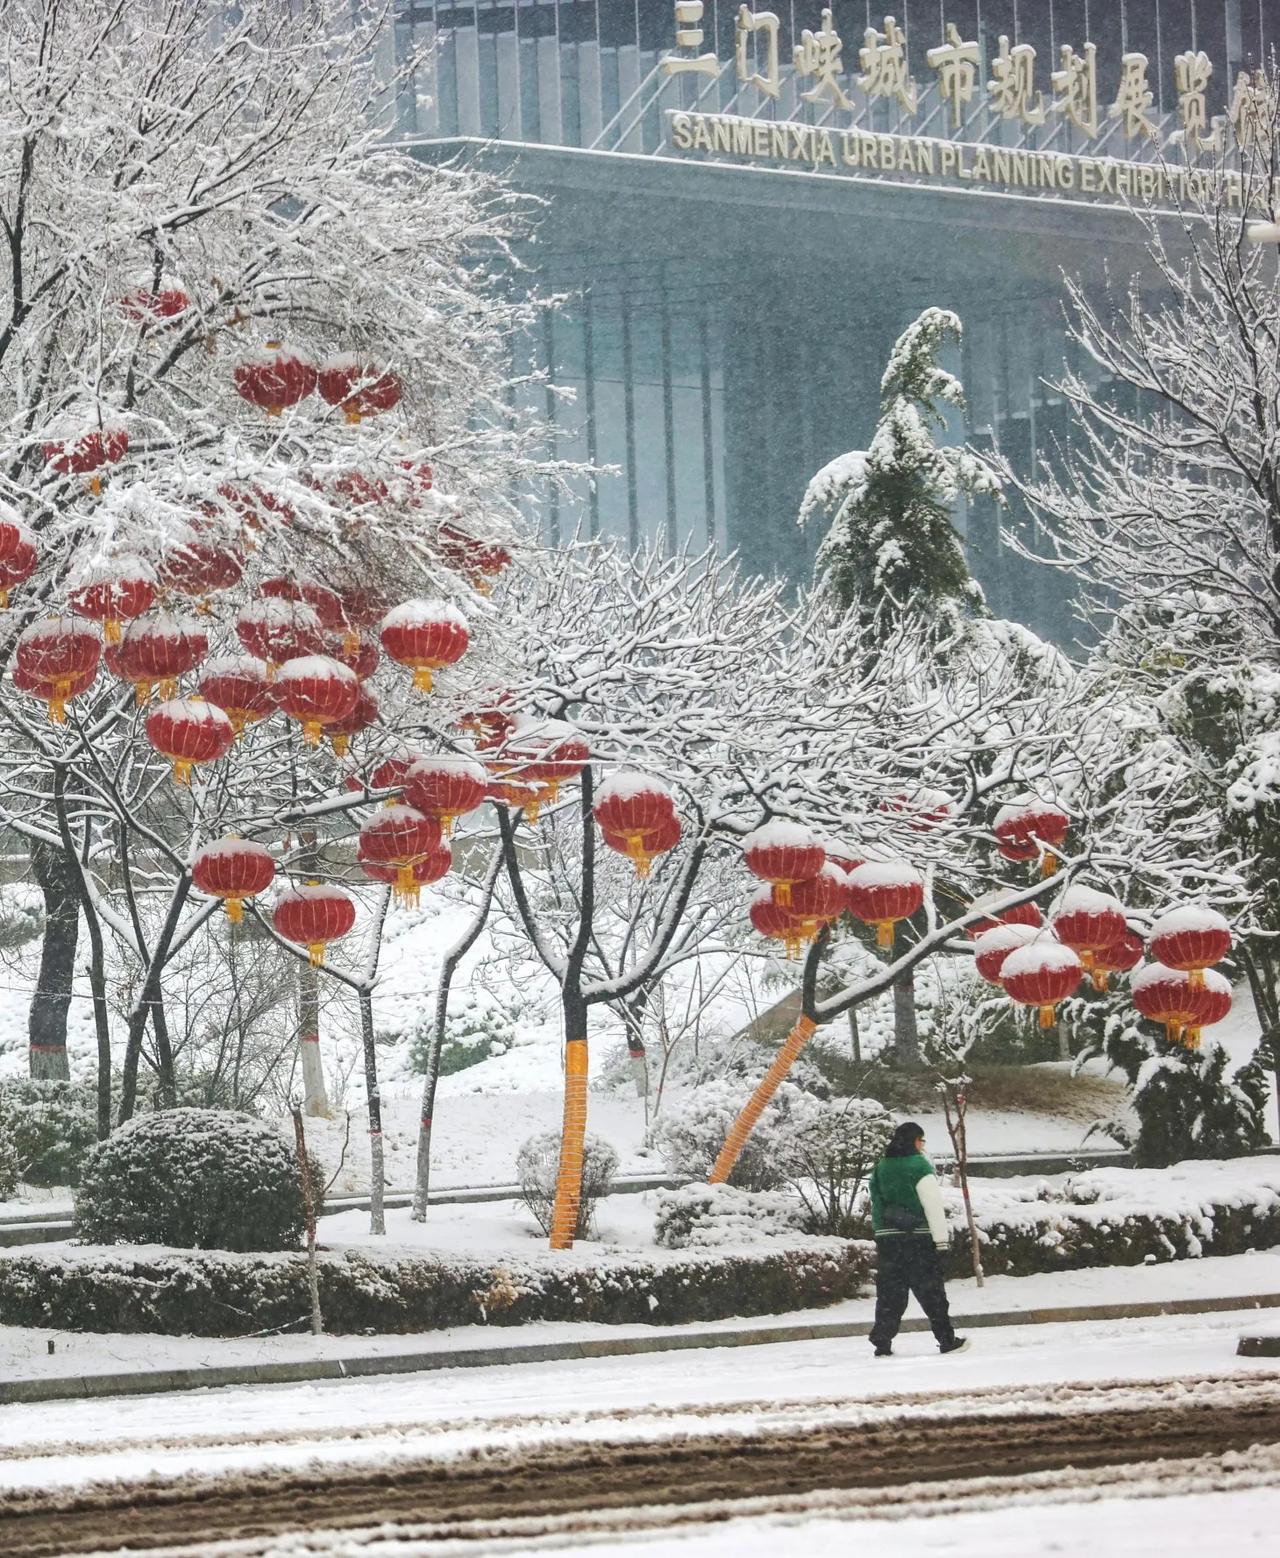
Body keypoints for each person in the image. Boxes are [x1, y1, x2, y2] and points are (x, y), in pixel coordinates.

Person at [867, 1119, 968, 1358]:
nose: (923, 1145)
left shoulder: (881, 1166)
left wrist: (882, 1231)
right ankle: (946, 1339)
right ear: (914, 1141)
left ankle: (882, 1340)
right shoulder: (919, 1167)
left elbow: (875, 1200)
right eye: (921, 1140)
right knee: (931, 1293)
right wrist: (942, 1243)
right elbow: (932, 1206)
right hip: (918, 1240)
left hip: (888, 1240)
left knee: (891, 1294)